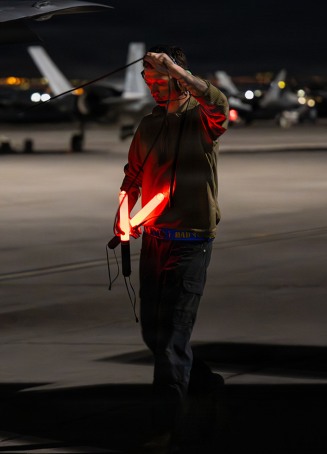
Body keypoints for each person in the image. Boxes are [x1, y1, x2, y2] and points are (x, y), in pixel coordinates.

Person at [115, 44, 229, 452]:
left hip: (191, 241)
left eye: (158, 77)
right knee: (155, 334)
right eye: (148, 78)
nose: (151, 85)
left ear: (178, 78)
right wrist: (125, 214)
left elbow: (219, 104)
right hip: (155, 243)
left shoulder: (202, 120)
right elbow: (133, 175)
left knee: (170, 340)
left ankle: (162, 430)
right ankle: (205, 385)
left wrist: (175, 68)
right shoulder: (148, 125)